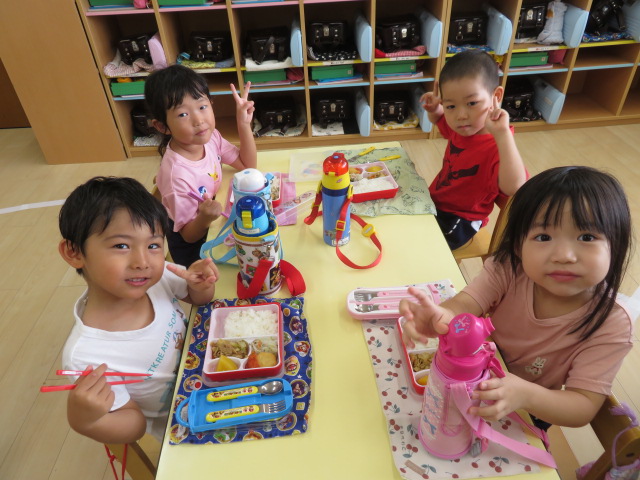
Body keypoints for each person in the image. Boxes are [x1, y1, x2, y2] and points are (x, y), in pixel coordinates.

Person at [400, 166, 634, 429]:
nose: (564, 256)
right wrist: (442, 316)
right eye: (543, 237)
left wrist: (526, 395)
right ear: (518, 246)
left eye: (587, 237)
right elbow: (466, 303)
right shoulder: (509, 269)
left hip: (530, 408)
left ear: (616, 244)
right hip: (473, 377)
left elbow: (582, 407)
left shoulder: (612, 322)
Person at [58, 176, 218, 444]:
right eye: (121, 246)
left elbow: (198, 299)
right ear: (74, 252)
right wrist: (88, 422)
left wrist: (200, 285)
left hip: (214, 370)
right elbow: (135, 425)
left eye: (153, 245)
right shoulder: (86, 357)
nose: (142, 262)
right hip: (188, 424)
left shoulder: (156, 277)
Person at [145, 64, 258, 267]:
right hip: (195, 249)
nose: (198, 120)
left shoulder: (210, 138)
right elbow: (188, 236)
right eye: (182, 114)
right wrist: (205, 217)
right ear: (162, 126)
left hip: (216, 223)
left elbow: (247, 165)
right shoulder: (177, 176)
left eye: (202, 107)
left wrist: (243, 124)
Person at [420, 49, 528, 250]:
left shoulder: (499, 144)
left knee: (426, 247)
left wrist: (503, 134)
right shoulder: (463, 129)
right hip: (435, 203)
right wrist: (435, 109)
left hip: (462, 219)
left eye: (472, 103)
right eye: (451, 106)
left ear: (496, 96)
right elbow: (440, 121)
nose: (461, 115)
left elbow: (515, 188)